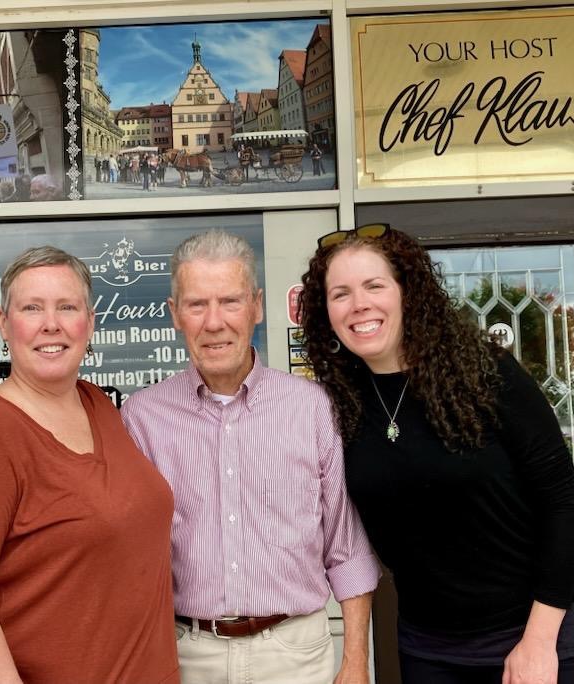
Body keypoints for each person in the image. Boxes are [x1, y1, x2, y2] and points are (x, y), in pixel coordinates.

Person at [298, 224, 574, 684]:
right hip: (428, 646)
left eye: (375, 286)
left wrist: (538, 641)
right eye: (341, 294)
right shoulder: (341, 402)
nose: (359, 305)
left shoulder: (485, 373)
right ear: (326, 313)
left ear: (408, 294)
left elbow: (564, 503)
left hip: (530, 633)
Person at [0, 246, 179, 684]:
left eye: (66, 307)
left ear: (89, 323)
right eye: (31, 308)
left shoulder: (98, 406)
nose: (50, 323)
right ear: (3, 324)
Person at [121, 229, 380, 684]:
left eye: (230, 301)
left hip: (296, 654)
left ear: (257, 306)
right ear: (175, 315)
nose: (214, 322)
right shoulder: (141, 417)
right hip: (185, 655)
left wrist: (356, 661)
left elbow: (345, 546)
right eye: (197, 304)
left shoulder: (311, 407)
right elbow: (128, 558)